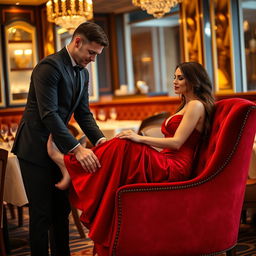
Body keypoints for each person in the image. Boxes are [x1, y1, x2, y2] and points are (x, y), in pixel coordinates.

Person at [47, 62, 215, 256]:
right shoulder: (186, 105)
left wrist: (139, 138)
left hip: (176, 167)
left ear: (194, 81)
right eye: (174, 77)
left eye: (180, 78)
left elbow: (177, 143)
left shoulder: (195, 105)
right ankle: (75, 168)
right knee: (123, 145)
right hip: (166, 159)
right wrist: (141, 142)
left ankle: (71, 166)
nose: (174, 82)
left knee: (125, 144)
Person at [12, 22, 109, 256]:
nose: (93, 59)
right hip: (34, 149)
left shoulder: (82, 73)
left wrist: (101, 141)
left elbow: (84, 113)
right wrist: (77, 149)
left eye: (97, 54)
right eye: (91, 53)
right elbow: (49, 114)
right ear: (77, 42)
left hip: (58, 147)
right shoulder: (49, 67)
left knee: (61, 211)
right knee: (42, 214)